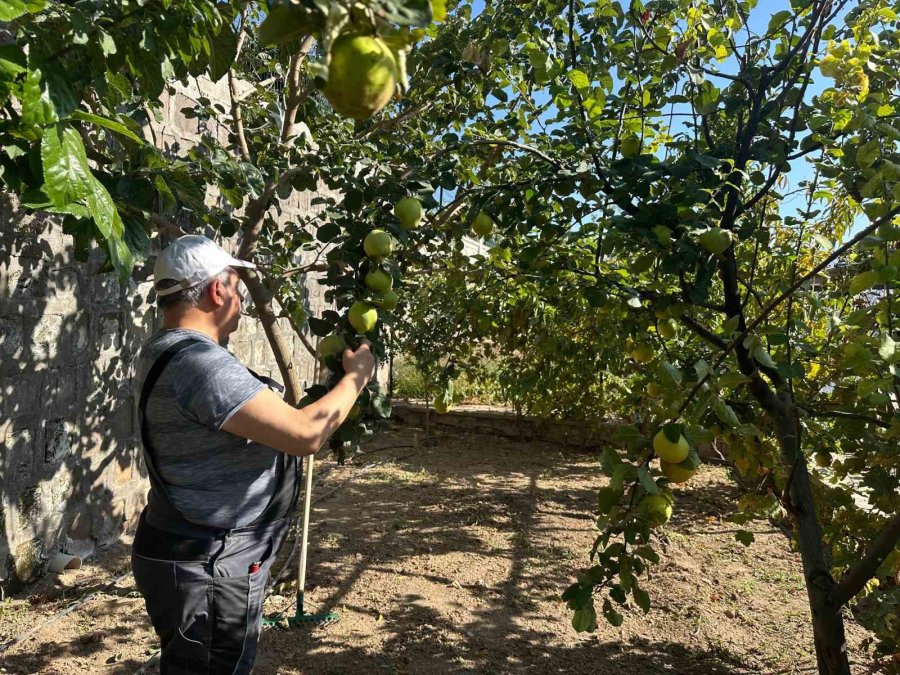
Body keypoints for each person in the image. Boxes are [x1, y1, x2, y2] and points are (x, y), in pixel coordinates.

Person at [131, 234, 375, 674]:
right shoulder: (202, 366)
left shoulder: (163, 350)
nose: (242, 297)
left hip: (194, 552)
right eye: (236, 284)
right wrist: (357, 377)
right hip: (209, 566)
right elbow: (306, 434)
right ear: (216, 290)